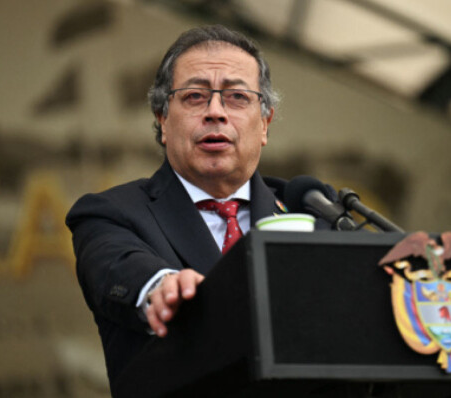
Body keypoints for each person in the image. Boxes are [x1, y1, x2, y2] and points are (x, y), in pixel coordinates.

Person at [66, 25, 327, 385]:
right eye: (194, 97)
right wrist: (163, 288)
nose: (215, 112)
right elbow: (116, 264)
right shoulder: (110, 213)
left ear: (265, 123)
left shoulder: (312, 211)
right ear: (162, 120)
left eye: (237, 97)